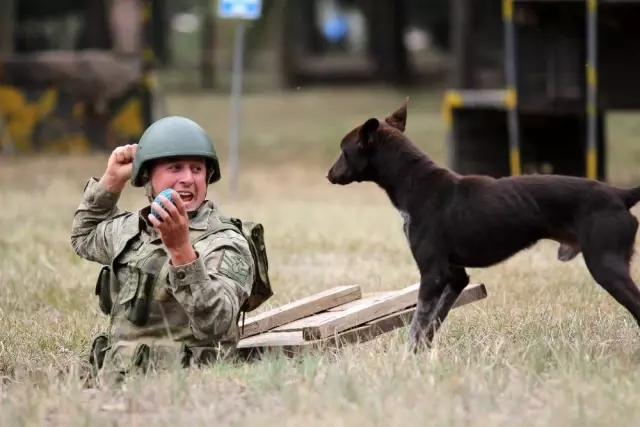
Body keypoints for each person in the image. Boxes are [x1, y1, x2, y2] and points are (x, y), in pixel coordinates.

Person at [71, 116, 264, 384]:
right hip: (116, 383)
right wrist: (112, 180)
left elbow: (217, 323)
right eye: (175, 167)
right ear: (148, 177)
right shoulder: (134, 229)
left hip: (189, 388)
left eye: (196, 169)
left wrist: (181, 251)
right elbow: (84, 236)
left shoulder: (226, 242)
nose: (187, 178)